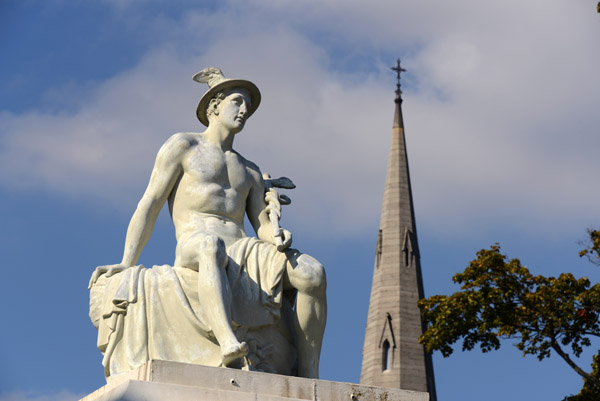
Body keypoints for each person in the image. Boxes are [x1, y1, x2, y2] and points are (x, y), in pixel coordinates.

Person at [89, 68, 326, 379]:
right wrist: (126, 261)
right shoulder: (183, 146)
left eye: (248, 108)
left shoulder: (250, 170)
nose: (244, 111)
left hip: (244, 250)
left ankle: (309, 375)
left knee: (312, 273)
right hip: (196, 243)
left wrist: (278, 237)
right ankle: (228, 342)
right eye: (238, 102)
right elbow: (149, 205)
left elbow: (262, 227)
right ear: (215, 105)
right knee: (210, 245)